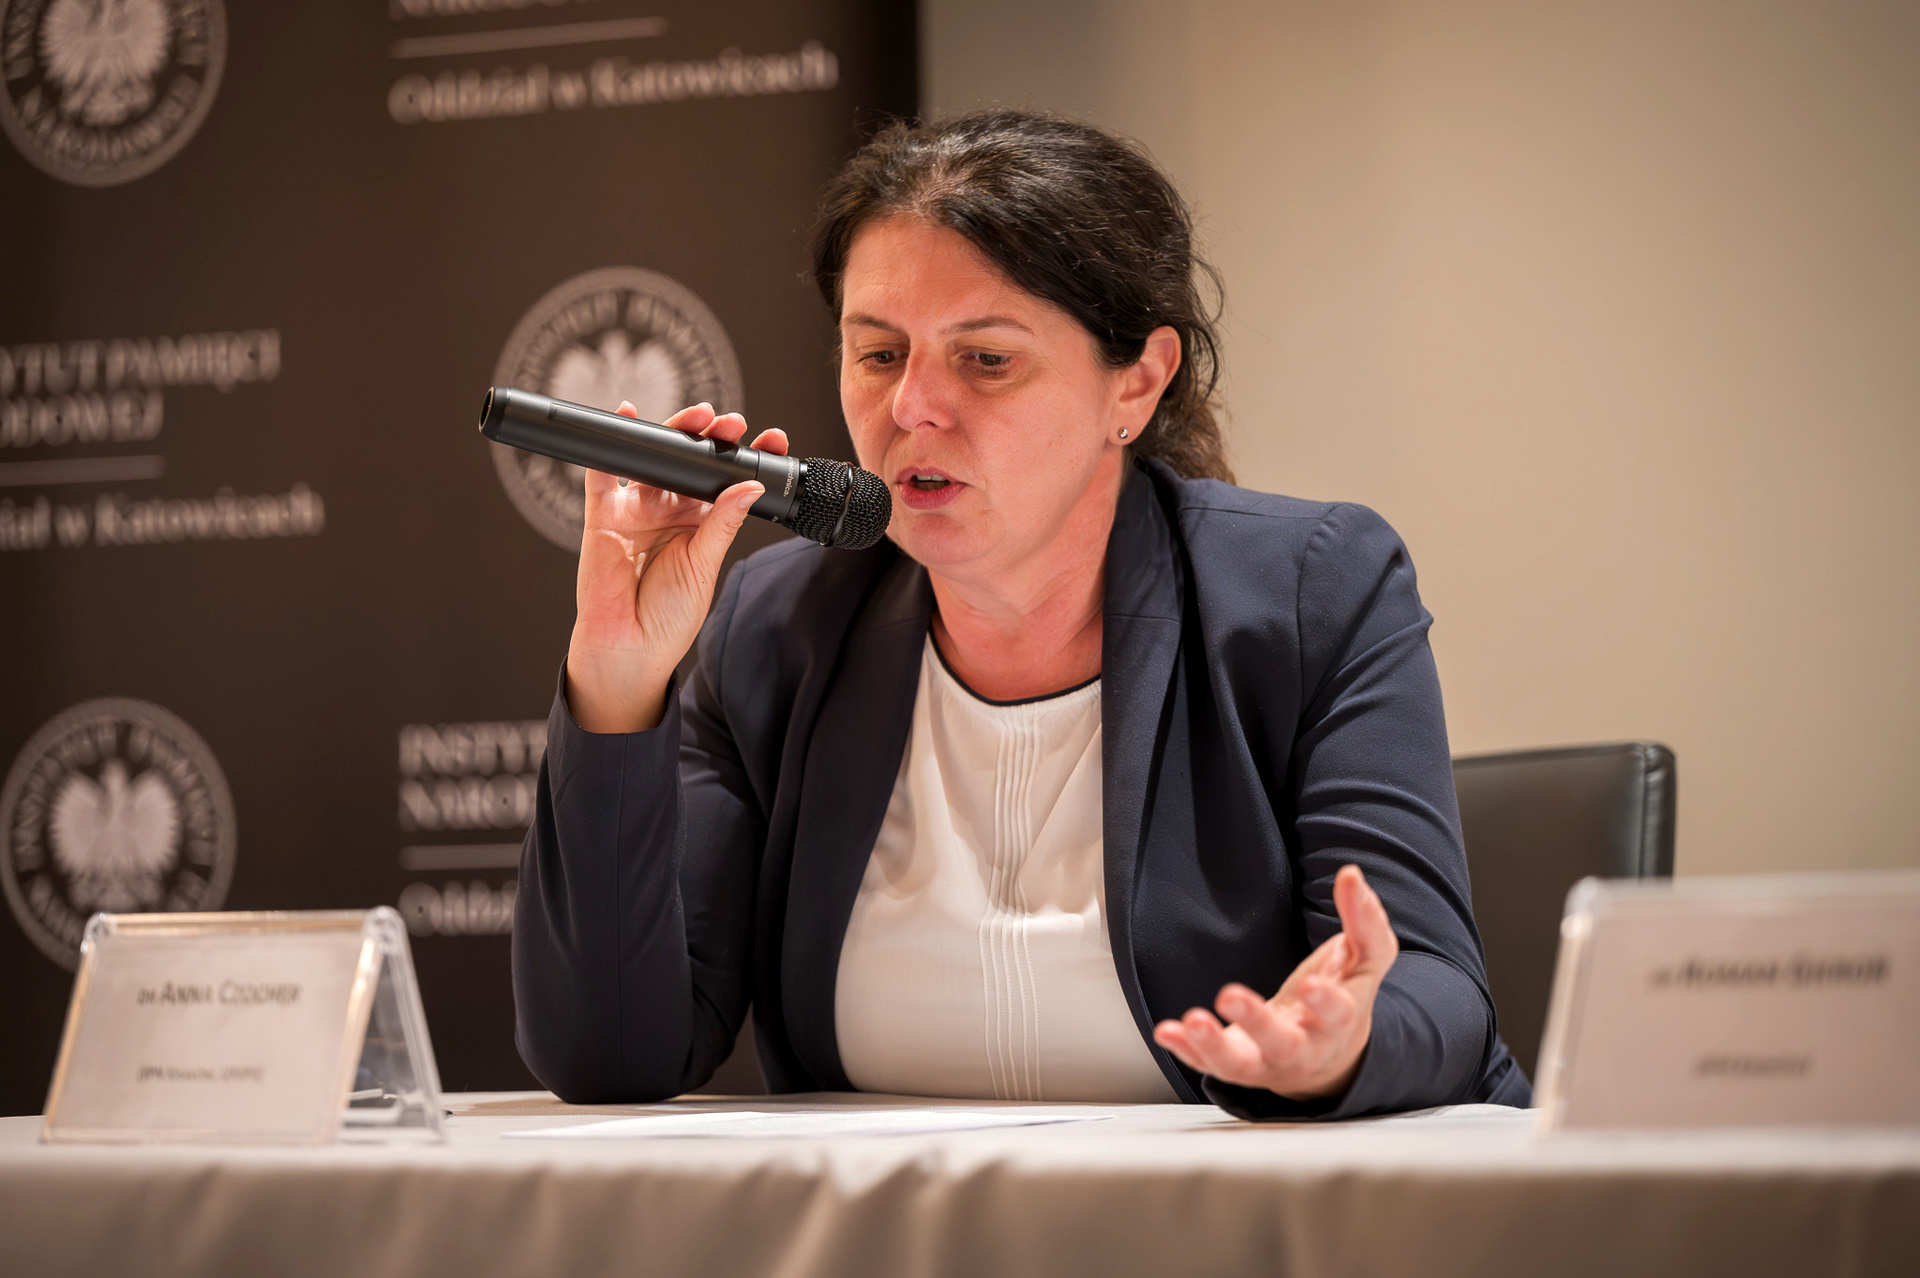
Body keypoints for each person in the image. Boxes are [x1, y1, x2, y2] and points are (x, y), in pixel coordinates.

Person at [513, 109, 1530, 1119]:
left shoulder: (1309, 592)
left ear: (1137, 382)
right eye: (879, 355)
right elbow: (612, 1054)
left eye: (986, 359)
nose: (912, 407)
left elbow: (1433, 987)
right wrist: (618, 679)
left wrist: (1342, 1048)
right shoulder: (777, 628)